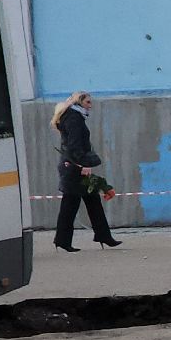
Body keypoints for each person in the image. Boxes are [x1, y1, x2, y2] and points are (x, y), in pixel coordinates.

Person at [51, 91, 121, 252]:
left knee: (91, 200)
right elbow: (75, 145)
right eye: (88, 102)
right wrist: (83, 165)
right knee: (71, 204)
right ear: (79, 102)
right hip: (74, 167)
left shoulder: (73, 117)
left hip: (73, 165)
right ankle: (64, 240)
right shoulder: (74, 118)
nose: (90, 105)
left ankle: (102, 236)